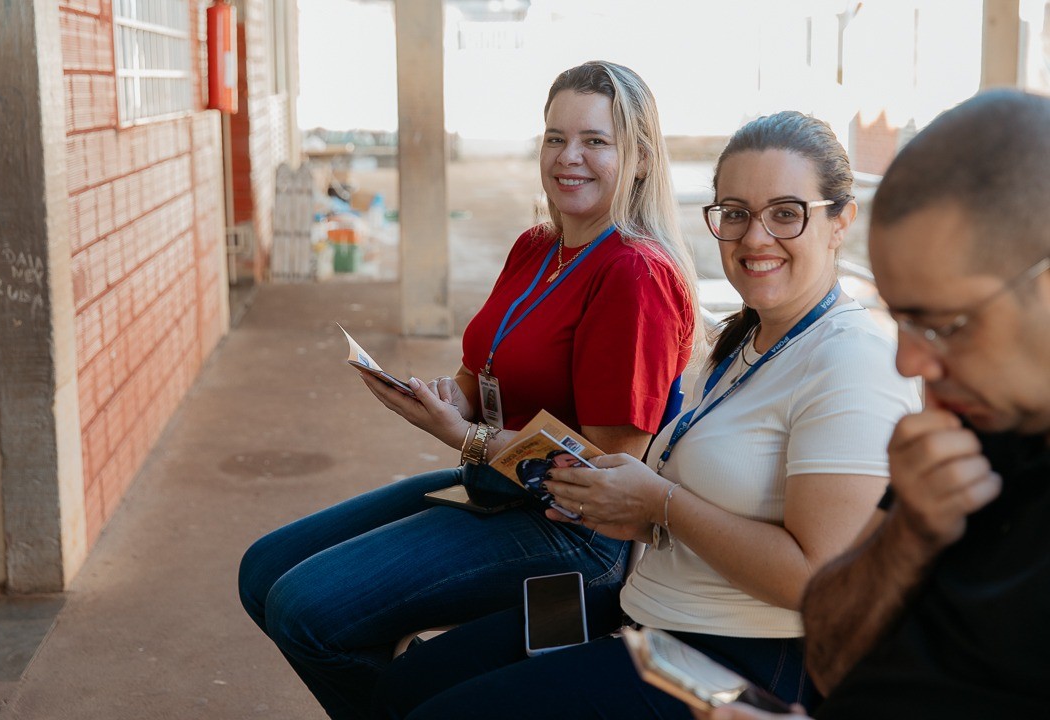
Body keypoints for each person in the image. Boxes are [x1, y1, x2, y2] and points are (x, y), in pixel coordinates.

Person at [372, 110, 922, 720]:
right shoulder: (742, 341)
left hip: (741, 658)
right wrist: (618, 506)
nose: (755, 237)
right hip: (642, 608)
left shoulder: (851, 364)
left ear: (840, 220)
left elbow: (820, 581)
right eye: (735, 213)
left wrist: (659, 504)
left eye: (785, 214)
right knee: (406, 687)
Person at [238, 61, 698, 719]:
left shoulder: (634, 276)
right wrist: (448, 399)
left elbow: (605, 480)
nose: (569, 158)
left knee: (305, 608)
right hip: (495, 488)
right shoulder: (537, 246)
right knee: (262, 570)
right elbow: (483, 371)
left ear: (642, 159)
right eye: (554, 137)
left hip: (573, 534)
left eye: (596, 141)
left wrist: (467, 438)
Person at [690, 87, 1050, 720]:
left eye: (943, 324)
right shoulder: (977, 423)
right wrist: (908, 533)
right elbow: (827, 658)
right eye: (900, 318)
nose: (908, 362)